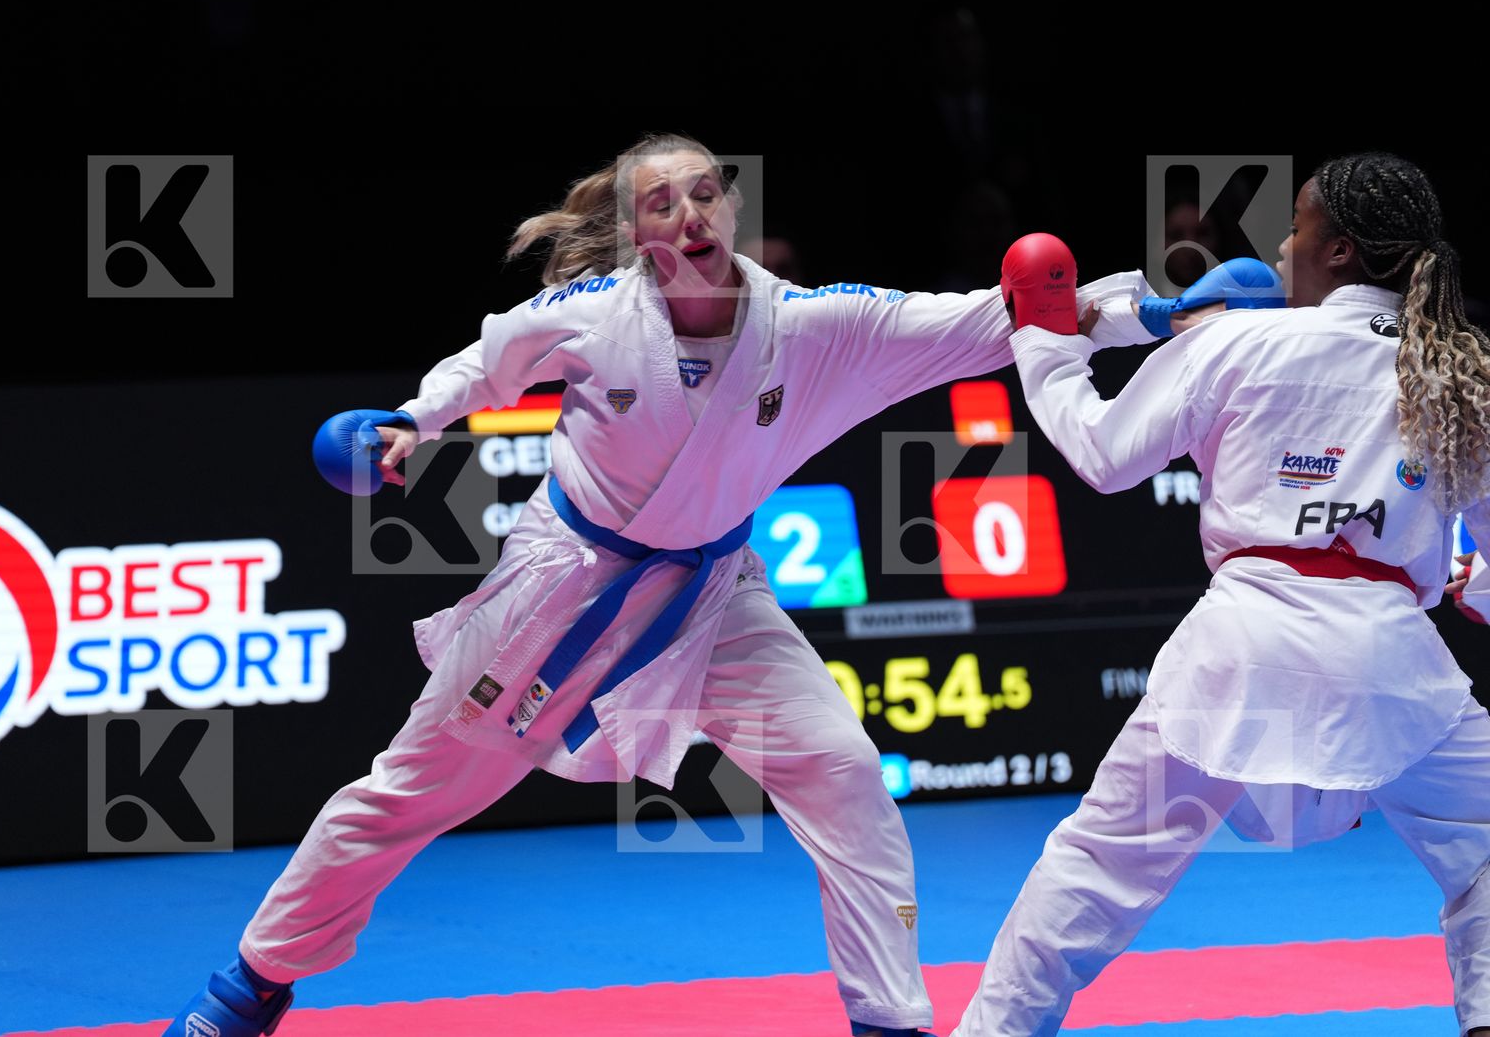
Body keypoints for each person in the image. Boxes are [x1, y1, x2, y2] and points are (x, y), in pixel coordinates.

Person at [162, 132, 1158, 1037]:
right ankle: (245, 989)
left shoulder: (810, 327)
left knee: (845, 774)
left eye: (704, 193)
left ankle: (889, 1021)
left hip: (717, 593)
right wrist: (406, 425)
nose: (689, 214)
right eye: (661, 203)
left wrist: (1157, 309)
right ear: (638, 235)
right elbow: (481, 364)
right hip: (561, 591)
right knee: (405, 793)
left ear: (728, 209)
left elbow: (997, 317)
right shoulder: (594, 317)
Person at [954, 152, 1490, 1037]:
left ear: (1342, 251)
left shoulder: (1238, 340)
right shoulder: (1462, 375)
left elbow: (1100, 451)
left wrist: (1045, 341)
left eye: (1299, 226)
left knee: (1095, 867)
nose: (1282, 244)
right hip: (1391, 662)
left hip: (1239, 651)